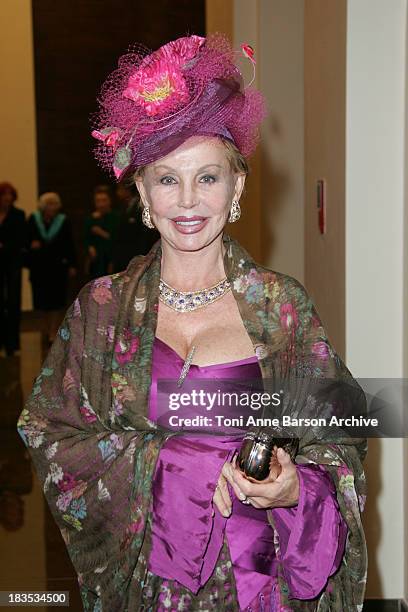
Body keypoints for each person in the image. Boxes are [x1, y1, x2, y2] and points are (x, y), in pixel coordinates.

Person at [17, 34, 368, 611]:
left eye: (208, 177)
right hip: (152, 588)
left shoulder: (282, 307)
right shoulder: (100, 308)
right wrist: (174, 466)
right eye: (167, 178)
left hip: (262, 584)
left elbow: (341, 433)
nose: (187, 201)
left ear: (237, 188)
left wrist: (295, 486)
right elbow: (48, 431)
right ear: (141, 191)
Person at [27, 192, 77, 344]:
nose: (51, 207)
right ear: (42, 206)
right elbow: (25, 240)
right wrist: (31, 245)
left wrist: (72, 264)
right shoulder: (33, 220)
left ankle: (53, 331)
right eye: (48, 204)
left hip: (57, 267)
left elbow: (70, 244)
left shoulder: (63, 221)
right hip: (39, 268)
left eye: (54, 204)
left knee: (56, 301)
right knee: (41, 302)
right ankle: (44, 328)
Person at [0, 182, 26, 356]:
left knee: (13, 302)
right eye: (4, 194)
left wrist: (4, 246)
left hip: (12, 263)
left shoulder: (18, 215)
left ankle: (12, 344)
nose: (7, 198)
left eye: (10, 195)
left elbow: (20, 240)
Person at [112, 182, 159, 272]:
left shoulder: (140, 206)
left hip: (138, 253)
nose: (117, 193)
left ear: (127, 190)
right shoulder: (123, 206)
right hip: (124, 255)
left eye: (119, 189)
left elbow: (144, 234)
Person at [83, 185, 119, 279]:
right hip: (96, 262)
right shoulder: (91, 219)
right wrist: (89, 248)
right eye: (98, 201)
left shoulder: (116, 217)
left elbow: (116, 239)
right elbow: (85, 238)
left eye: (104, 200)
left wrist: (100, 232)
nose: (101, 204)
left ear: (109, 201)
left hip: (111, 261)